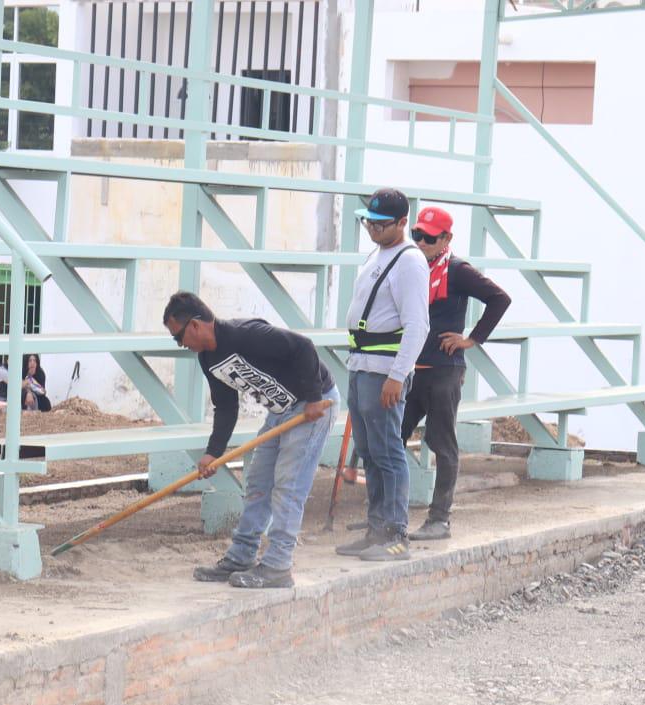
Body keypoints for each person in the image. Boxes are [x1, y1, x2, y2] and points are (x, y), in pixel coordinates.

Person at [163, 291, 338, 589]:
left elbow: (303, 347)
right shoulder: (208, 358)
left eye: (179, 337)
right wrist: (213, 453)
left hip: (312, 407)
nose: (182, 345)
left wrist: (312, 398)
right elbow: (226, 406)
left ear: (194, 326)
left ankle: (278, 566)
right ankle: (241, 555)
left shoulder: (245, 335)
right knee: (258, 482)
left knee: (288, 486)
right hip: (280, 411)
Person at [401, 205, 511, 540]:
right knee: (392, 439)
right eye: (416, 235)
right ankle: (385, 513)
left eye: (429, 238)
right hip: (409, 368)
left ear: (446, 238)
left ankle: (439, 519)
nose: (421, 242)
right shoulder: (412, 265)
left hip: (443, 370)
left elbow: (499, 299)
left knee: (441, 442)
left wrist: (471, 339)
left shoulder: (458, 270)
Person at [334, 187, 430, 562]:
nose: (373, 229)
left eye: (381, 224)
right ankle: (376, 528)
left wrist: (397, 374)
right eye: (368, 222)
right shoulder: (377, 252)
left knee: (389, 451)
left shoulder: (409, 261)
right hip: (361, 366)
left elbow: (417, 325)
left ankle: (396, 533)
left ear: (403, 223)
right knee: (369, 451)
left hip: (383, 371)